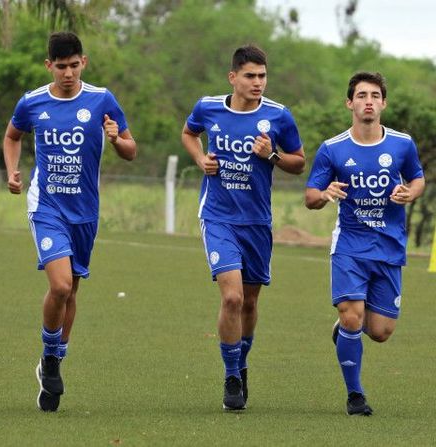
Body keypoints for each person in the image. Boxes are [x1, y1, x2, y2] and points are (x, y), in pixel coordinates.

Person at [3, 31, 137, 412]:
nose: (67, 73)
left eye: (73, 65)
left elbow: (131, 150)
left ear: (84, 63)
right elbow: (12, 136)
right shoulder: (32, 102)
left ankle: (54, 362)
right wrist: (13, 171)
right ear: (49, 66)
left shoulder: (101, 100)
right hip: (46, 207)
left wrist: (116, 139)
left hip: (85, 211)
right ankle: (49, 356)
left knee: (72, 291)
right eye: (60, 67)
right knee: (60, 286)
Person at [181, 45, 305, 411]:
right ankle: (232, 375)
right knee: (232, 297)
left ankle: (242, 362)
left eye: (262, 76)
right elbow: (189, 134)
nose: (257, 83)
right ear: (233, 77)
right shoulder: (209, 108)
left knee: (250, 301)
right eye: (250, 76)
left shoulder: (279, 116)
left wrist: (272, 155)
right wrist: (201, 157)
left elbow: (299, 163)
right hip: (218, 217)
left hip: (257, 222)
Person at [305, 72, 425, 416]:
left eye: (374, 95)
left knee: (381, 331)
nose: (368, 101)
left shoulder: (402, 144)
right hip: (350, 247)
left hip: (388, 246)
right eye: (361, 95)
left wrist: (410, 192)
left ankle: (344, 330)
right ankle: (355, 395)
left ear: (383, 103)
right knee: (352, 316)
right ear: (350, 103)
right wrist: (325, 193)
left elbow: (417, 177)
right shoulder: (333, 148)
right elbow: (311, 195)